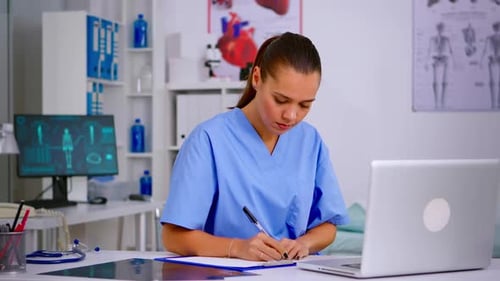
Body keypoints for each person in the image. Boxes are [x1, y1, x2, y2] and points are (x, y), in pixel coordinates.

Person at [160, 32, 349, 261]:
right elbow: (173, 237)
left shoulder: (310, 141)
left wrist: (304, 243)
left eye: (304, 105)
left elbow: (328, 224)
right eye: (280, 100)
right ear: (257, 78)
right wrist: (236, 247)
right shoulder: (208, 140)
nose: (291, 115)